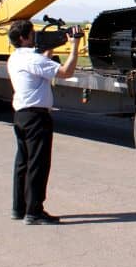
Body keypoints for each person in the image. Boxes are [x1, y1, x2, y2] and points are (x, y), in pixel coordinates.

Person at [7, 20, 82, 225]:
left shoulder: (16, 58)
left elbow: (42, 70)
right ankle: (34, 212)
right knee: (38, 165)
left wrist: (50, 48)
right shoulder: (33, 59)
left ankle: (19, 208)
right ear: (23, 38)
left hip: (22, 115)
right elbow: (66, 72)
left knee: (23, 163)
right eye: (32, 34)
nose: (35, 36)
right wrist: (74, 46)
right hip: (37, 118)